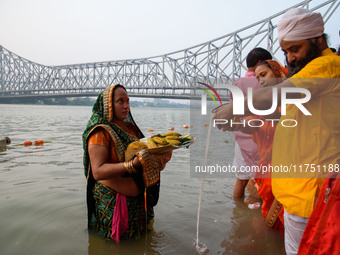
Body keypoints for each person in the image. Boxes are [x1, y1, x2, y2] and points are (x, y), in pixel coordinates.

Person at [213, 8, 340, 255]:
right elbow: (281, 115)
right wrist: (237, 121)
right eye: (286, 52)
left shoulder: (326, 65)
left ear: (318, 39)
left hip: (310, 196)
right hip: (292, 191)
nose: (290, 58)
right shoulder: (306, 76)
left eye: (295, 49)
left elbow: (276, 97)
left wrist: (235, 107)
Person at [82, 84, 172, 242]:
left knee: (139, 242)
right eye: (120, 101)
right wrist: (132, 165)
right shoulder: (100, 133)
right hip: (112, 202)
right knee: (114, 246)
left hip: (137, 202)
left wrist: (159, 157)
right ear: (108, 105)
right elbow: (97, 171)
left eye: (128, 101)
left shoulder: (130, 129)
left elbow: (142, 152)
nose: (126, 106)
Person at [244, 60, 287, 230]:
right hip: (266, 170)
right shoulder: (262, 104)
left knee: (288, 218)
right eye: (257, 77)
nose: (260, 80)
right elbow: (251, 124)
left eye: (264, 75)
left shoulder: (292, 99)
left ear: (277, 73)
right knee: (270, 218)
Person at [230, 48, 272, 198]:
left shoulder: (236, 84)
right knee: (259, 182)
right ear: (261, 63)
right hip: (261, 140)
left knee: (241, 179)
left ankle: (238, 213)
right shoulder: (264, 82)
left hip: (240, 139)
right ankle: (254, 217)